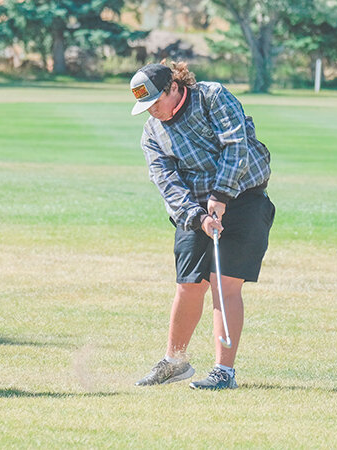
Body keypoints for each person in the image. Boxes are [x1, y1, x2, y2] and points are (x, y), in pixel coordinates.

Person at [130, 62, 275, 390]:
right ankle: (175, 361)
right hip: (195, 211)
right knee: (189, 285)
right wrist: (198, 217)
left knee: (224, 285)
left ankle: (224, 372)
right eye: (146, 107)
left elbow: (235, 146)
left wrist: (221, 195)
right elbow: (166, 181)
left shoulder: (212, 97)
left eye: (155, 102)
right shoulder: (153, 133)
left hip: (244, 198)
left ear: (173, 88)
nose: (152, 112)